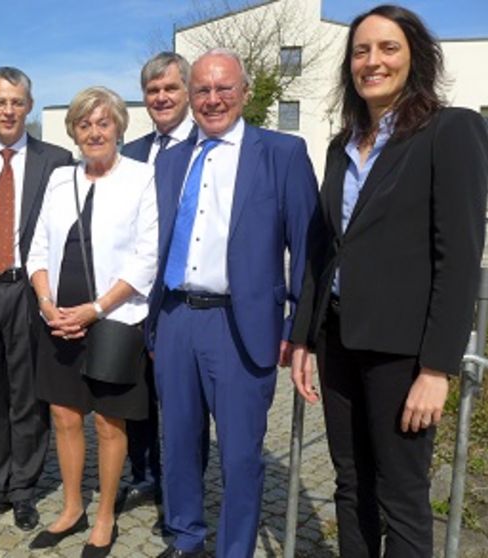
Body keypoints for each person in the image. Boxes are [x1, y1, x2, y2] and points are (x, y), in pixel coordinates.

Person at [289, 5, 488, 557]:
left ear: (415, 57)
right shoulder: (341, 145)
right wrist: (304, 337)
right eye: (361, 50)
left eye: (388, 48)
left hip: (402, 354)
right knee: (351, 484)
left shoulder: (450, 131)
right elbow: (322, 248)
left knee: (402, 495)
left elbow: (459, 258)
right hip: (337, 341)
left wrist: (437, 367)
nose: (372, 61)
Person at [147, 49, 319, 558]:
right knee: (178, 443)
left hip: (241, 325)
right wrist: (151, 325)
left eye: (224, 88)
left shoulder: (282, 153)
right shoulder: (172, 159)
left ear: (245, 93)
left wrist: (299, 325)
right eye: (202, 89)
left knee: (241, 454)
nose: (213, 99)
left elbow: (308, 250)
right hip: (175, 318)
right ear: (190, 96)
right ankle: (185, 538)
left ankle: (235, 550)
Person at [26, 86, 158, 558]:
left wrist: (97, 309)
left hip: (114, 314)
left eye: (104, 122)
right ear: (74, 131)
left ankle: (104, 515)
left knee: (107, 420)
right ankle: (71, 507)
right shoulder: (61, 179)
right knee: (63, 414)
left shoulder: (142, 178)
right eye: (85, 123)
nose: (95, 131)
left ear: (119, 127)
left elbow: (147, 257)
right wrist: (45, 302)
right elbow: (38, 246)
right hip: (59, 312)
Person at [0, 67, 72, 532]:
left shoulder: (57, 160)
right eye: (0, 101)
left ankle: (24, 489)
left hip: (31, 289)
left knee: (28, 397)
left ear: (29, 105)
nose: (8, 110)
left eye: (17, 101)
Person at [117, 51, 197, 534]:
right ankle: (143, 474)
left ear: (186, 91)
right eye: (153, 91)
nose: (161, 97)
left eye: (170, 88)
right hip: (131, 298)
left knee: (182, 407)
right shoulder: (133, 151)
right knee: (136, 398)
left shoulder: (202, 146)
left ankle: (179, 492)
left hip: (178, 299)